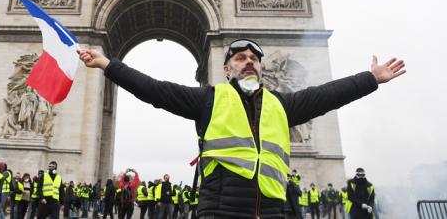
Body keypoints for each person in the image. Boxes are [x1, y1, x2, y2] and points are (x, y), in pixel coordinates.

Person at [77, 39, 405, 219]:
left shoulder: (282, 105)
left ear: (262, 67)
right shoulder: (209, 99)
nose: (248, 61)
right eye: (239, 58)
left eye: (253, 58)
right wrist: (108, 64)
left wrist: (370, 79)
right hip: (222, 212)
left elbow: (324, 96)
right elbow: (156, 90)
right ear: (226, 68)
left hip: (274, 212)